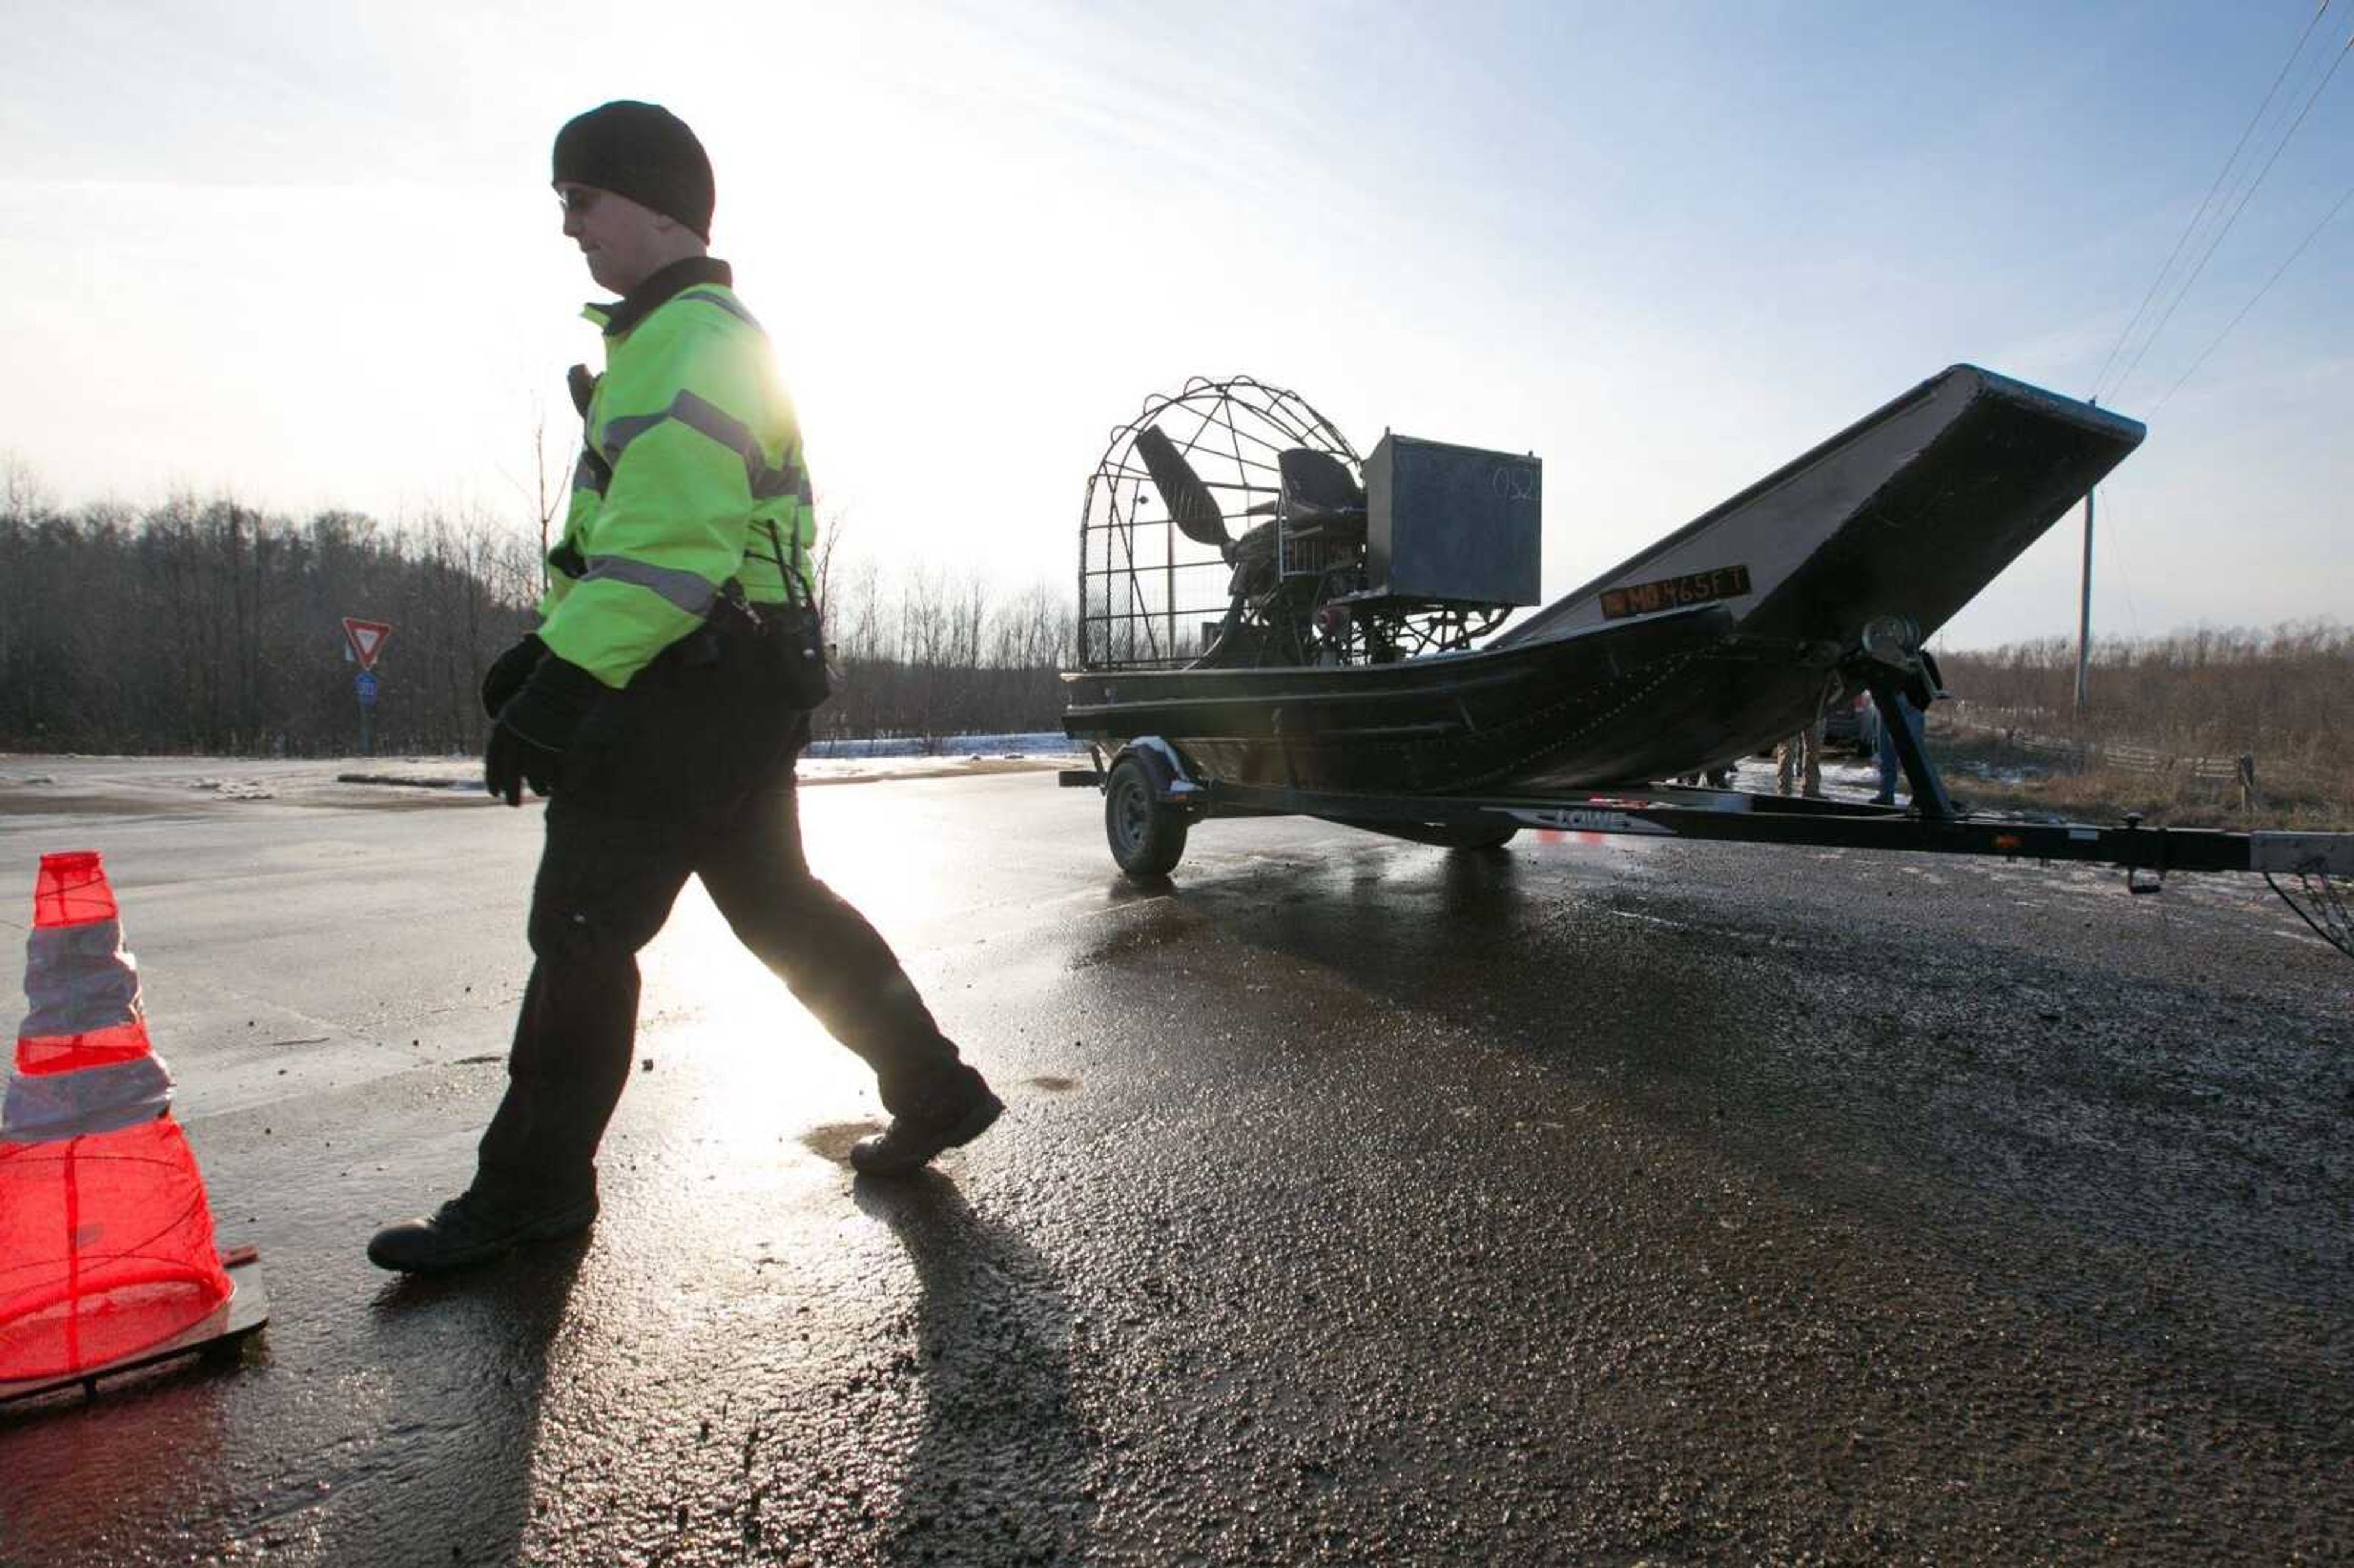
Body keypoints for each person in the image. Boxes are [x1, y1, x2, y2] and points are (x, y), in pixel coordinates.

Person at [370, 101, 1000, 1274]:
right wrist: (547, 640)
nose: (570, 229)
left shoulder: (689, 340)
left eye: (582, 201)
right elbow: (650, 538)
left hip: (682, 683)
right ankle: (937, 1088)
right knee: (778, 904)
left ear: (658, 206)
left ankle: (531, 1192)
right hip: (737, 678)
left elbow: (674, 554)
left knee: (582, 927)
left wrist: (563, 680)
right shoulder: (691, 335)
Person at [1772, 720, 1823, 799]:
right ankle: (1783, 791)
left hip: (1815, 711)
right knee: (1787, 750)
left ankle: (1811, 791)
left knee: (1813, 750)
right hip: (1790, 711)